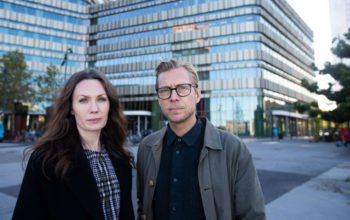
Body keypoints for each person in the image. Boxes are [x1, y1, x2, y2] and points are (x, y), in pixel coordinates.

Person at [137, 59, 266, 220]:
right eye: (165, 90)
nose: (174, 97)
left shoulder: (233, 149)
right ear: (158, 98)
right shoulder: (146, 148)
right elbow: (143, 207)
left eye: (182, 88)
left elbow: (252, 216)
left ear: (197, 94)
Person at [13, 69, 134, 220]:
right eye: (83, 100)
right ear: (71, 108)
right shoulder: (46, 160)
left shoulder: (121, 158)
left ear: (110, 105)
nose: (94, 109)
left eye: (101, 99)